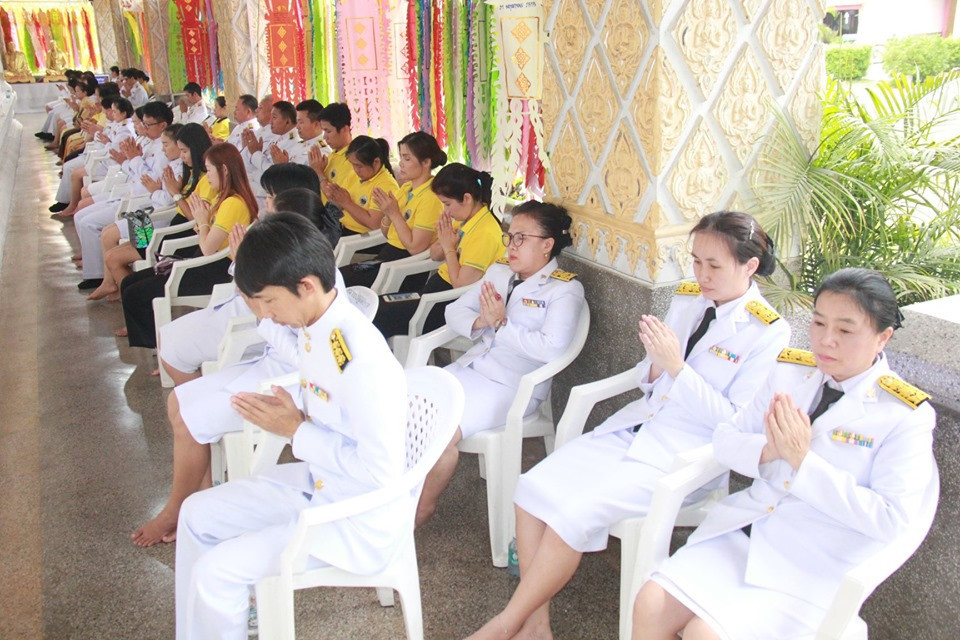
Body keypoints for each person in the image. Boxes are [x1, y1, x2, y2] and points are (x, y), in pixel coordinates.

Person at [467, 211, 790, 640]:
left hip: (683, 455)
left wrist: (677, 367)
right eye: (696, 261)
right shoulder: (688, 299)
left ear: (749, 266)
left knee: (570, 514)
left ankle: (507, 623)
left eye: (714, 265)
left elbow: (733, 422)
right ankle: (536, 625)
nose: (702, 274)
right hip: (635, 427)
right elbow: (645, 374)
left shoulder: (768, 332)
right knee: (530, 490)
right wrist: (657, 366)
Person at [633, 267, 936, 640]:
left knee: (704, 634)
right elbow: (727, 439)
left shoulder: (903, 415)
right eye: (819, 324)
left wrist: (802, 463)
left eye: (845, 330)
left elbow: (891, 519)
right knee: (649, 602)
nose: (826, 341)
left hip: (813, 563)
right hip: (744, 533)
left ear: (882, 337)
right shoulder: (791, 373)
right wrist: (766, 450)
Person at [174, 213, 407, 640]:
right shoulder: (320, 324)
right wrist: (262, 312)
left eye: (267, 301)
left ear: (306, 285)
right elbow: (304, 354)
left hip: (353, 518)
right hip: (321, 483)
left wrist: (297, 431)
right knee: (195, 514)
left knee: (216, 572)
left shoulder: (362, 359)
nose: (265, 314)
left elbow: (382, 476)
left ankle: (219, 615)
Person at [132, 188, 343, 548]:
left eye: (268, 210)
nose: (260, 214)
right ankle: (196, 499)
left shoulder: (315, 289)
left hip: (288, 384)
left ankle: (177, 508)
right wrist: (261, 306)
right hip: (268, 365)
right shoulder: (296, 268)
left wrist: (262, 315)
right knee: (179, 401)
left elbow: (309, 361)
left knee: (193, 418)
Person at [416, 201, 584, 526]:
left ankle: (422, 508)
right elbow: (454, 311)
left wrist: (503, 325)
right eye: (510, 236)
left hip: (511, 387)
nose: (512, 245)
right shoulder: (499, 272)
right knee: (410, 407)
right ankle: (394, 495)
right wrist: (483, 321)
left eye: (522, 238)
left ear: (547, 245)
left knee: (441, 430)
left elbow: (551, 349)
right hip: (471, 368)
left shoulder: (564, 289)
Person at [155, 164, 330, 385]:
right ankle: (195, 389)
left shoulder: (291, 246)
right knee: (167, 335)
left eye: (269, 196)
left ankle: (196, 391)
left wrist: (239, 261)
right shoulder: (277, 232)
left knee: (172, 348)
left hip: (248, 321)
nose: (264, 202)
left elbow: (260, 296)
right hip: (237, 308)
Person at [119, 143, 257, 350]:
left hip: (214, 269)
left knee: (135, 292)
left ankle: (159, 350)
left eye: (209, 169)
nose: (207, 175)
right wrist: (203, 224)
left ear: (224, 170)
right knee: (129, 283)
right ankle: (151, 340)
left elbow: (208, 248)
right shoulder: (221, 196)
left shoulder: (232, 203)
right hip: (201, 259)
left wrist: (202, 222)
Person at [372, 163, 504, 339]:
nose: (446, 212)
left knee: (379, 316)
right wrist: (444, 243)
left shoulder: (485, 232)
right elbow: (434, 256)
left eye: (447, 204)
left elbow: (460, 284)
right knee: (377, 304)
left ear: (466, 198)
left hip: (447, 305)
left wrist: (449, 248)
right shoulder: (465, 219)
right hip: (431, 293)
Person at [340, 131, 447, 287]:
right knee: (338, 276)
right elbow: (386, 233)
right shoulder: (406, 188)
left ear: (426, 162)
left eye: (407, 158)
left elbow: (415, 248)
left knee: (342, 282)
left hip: (405, 267)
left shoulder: (431, 198)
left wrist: (394, 214)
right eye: (401, 157)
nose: (401, 163)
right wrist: (388, 214)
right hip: (387, 256)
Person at [320, 135, 400, 236]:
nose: (355, 170)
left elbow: (374, 224)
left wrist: (347, 203)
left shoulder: (386, 185)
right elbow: (340, 203)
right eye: (353, 164)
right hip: (340, 227)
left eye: (359, 166)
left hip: (361, 237)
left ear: (376, 162)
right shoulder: (355, 175)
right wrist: (336, 195)